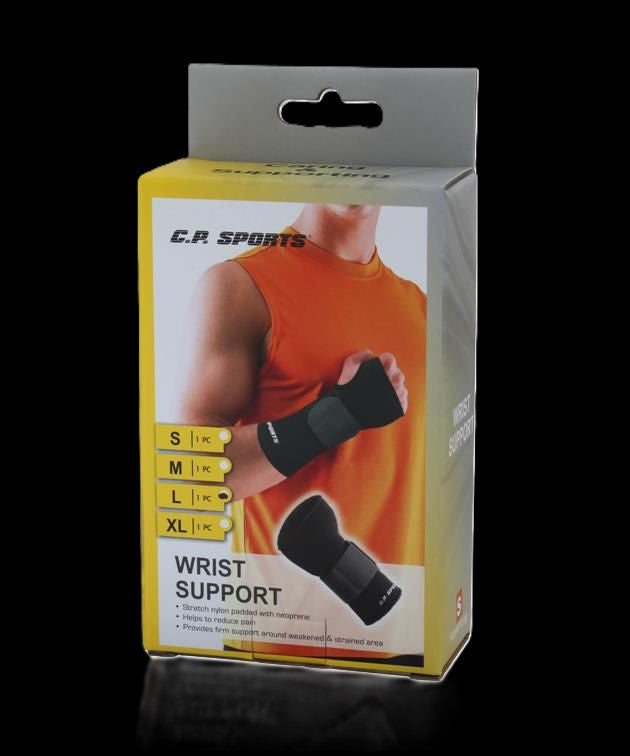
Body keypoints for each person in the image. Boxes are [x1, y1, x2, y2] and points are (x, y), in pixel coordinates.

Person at [177, 203, 425, 655]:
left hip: (406, 641)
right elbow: (192, 471)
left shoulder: (419, 306)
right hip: (279, 648)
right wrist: (342, 412)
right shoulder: (242, 285)